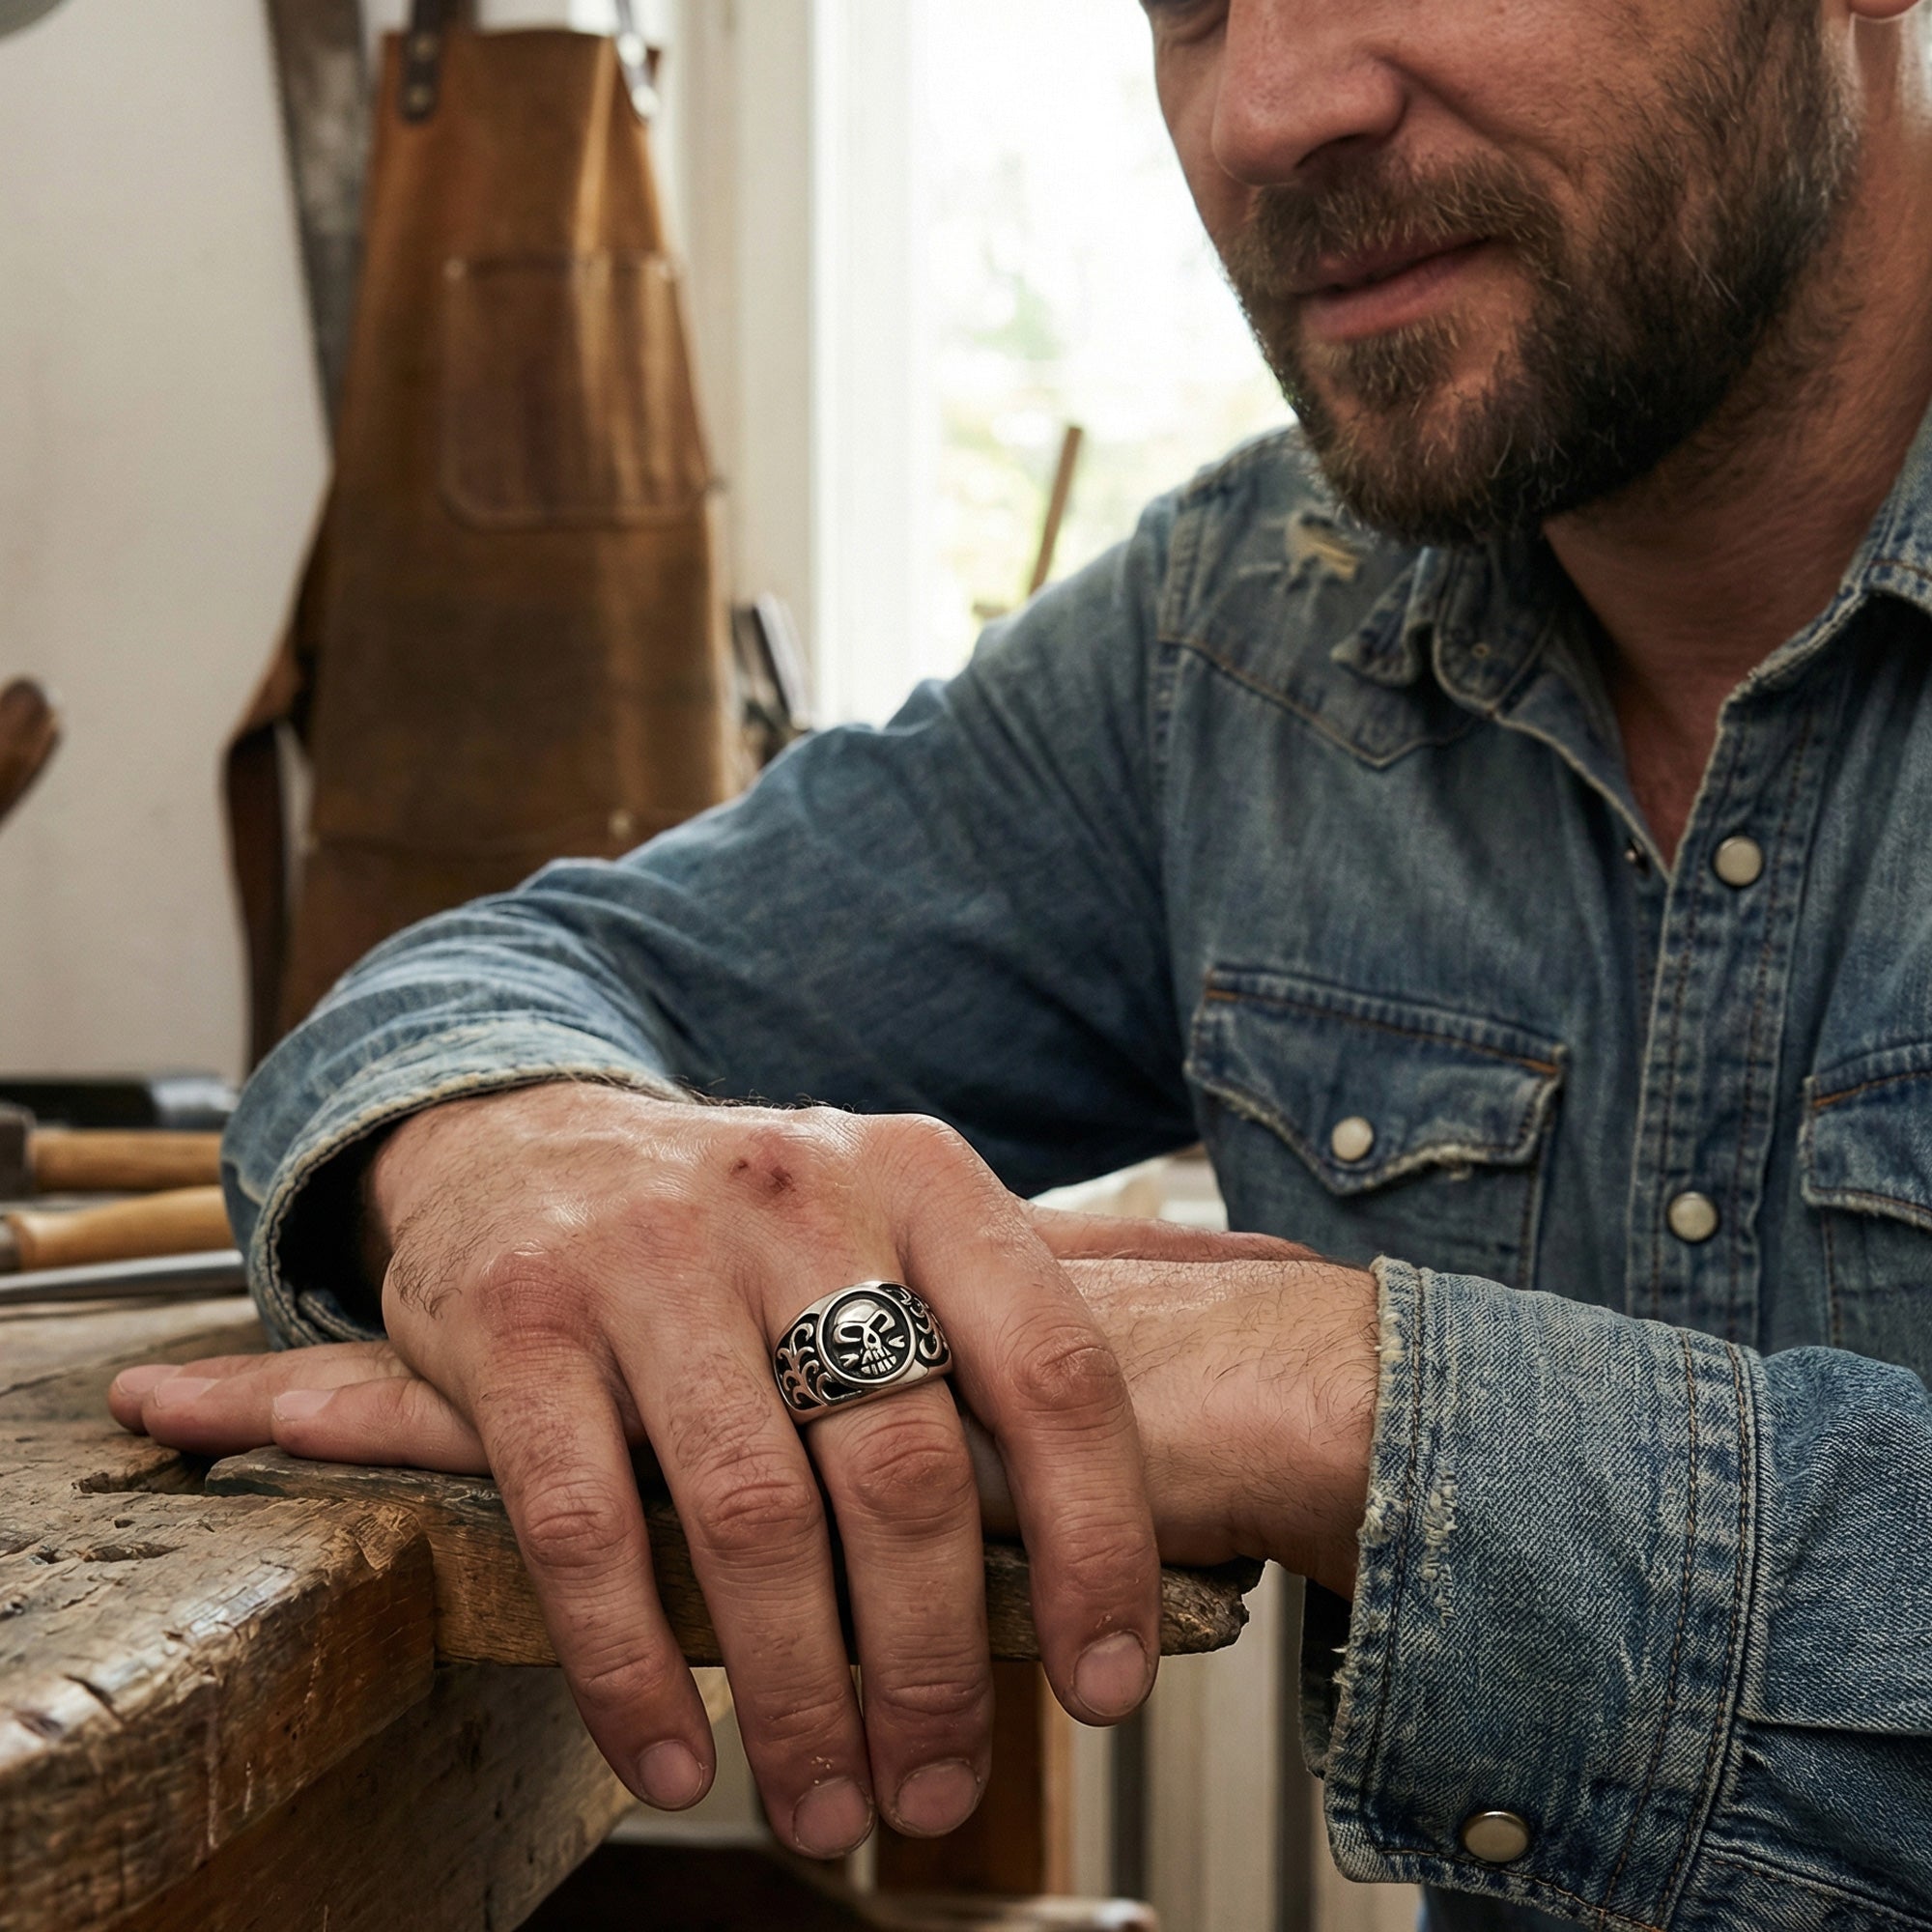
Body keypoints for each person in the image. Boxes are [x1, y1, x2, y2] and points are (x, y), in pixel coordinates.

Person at [113, 0, 1932, 1924]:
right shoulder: (1241, 643)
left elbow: (1346, 1408)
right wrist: (522, 1171)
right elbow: (478, 993)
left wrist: (1367, 1411)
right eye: (1184, 9)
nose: (1266, 113)